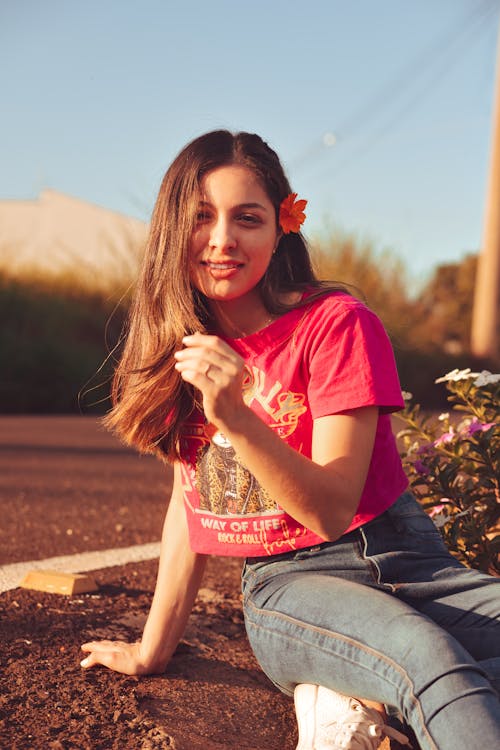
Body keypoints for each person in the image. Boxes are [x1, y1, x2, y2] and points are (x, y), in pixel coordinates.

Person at [80, 130, 500, 750]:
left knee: (449, 671)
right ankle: (376, 688)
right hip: (295, 584)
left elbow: (334, 502)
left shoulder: (337, 324)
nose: (223, 239)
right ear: (172, 230)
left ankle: (356, 698)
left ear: (282, 228)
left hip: (410, 560)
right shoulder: (184, 350)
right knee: (427, 658)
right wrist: (152, 650)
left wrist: (237, 417)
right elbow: (189, 503)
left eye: (247, 219)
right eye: (201, 218)